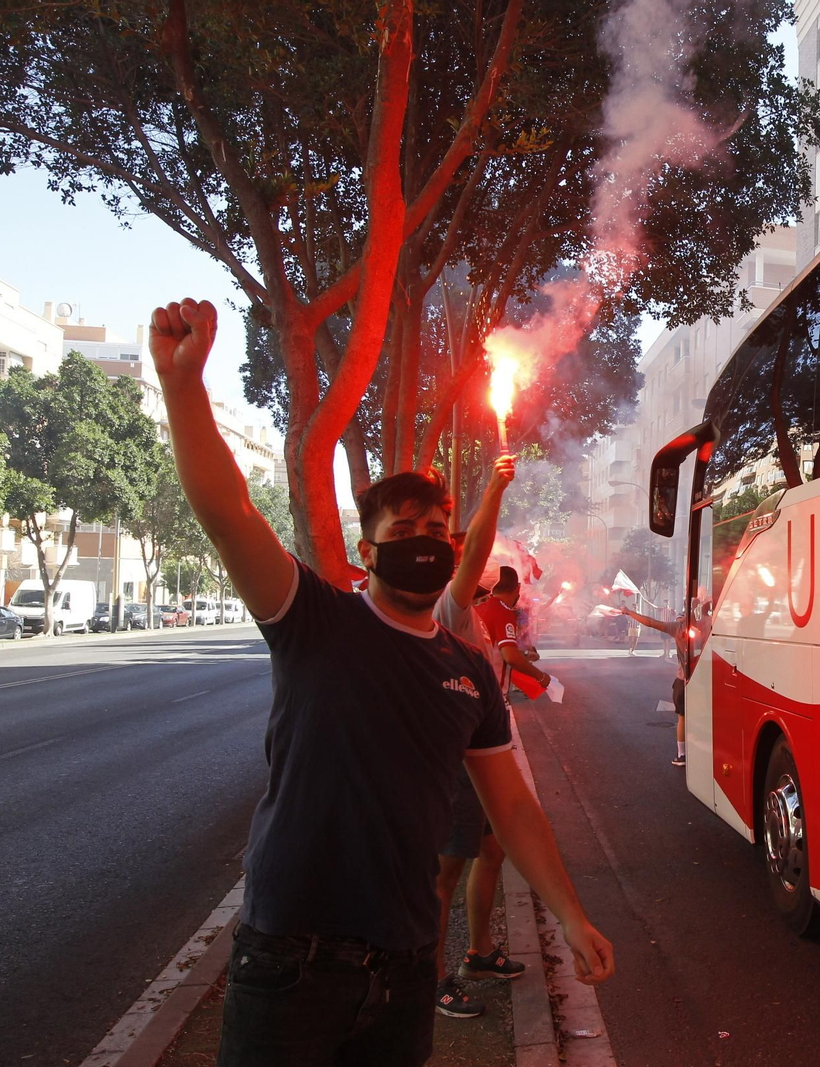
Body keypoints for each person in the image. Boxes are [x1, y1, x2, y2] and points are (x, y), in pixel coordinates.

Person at [149, 298, 612, 1067]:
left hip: (404, 963)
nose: (425, 545)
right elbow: (227, 512)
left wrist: (571, 912)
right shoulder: (312, 619)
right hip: (292, 959)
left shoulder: (467, 672)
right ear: (368, 553)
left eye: (436, 532)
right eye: (404, 533)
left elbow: (513, 806)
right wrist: (184, 387)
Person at [431, 461, 528, 1020]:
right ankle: (434, 977)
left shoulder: (478, 616)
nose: (483, 562)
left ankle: (478, 953)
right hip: (459, 764)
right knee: (444, 873)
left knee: (492, 850)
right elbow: (471, 553)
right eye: (474, 556)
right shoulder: (453, 604)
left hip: (488, 755)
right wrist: (494, 486)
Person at [617, 604, 696, 767]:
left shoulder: (678, 628)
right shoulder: (706, 624)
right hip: (704, 679)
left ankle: (682, 754)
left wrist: (629, 612)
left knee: (682, 716)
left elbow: (651, 622)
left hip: (684, 679)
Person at [478, 567, 551, 695]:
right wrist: (541, 677)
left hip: (477, 686)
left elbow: (494, 648)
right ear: (517, 588)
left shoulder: (480, 608)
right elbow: (510, 657)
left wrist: (525, 654)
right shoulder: (503, 611)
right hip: (493, 692)